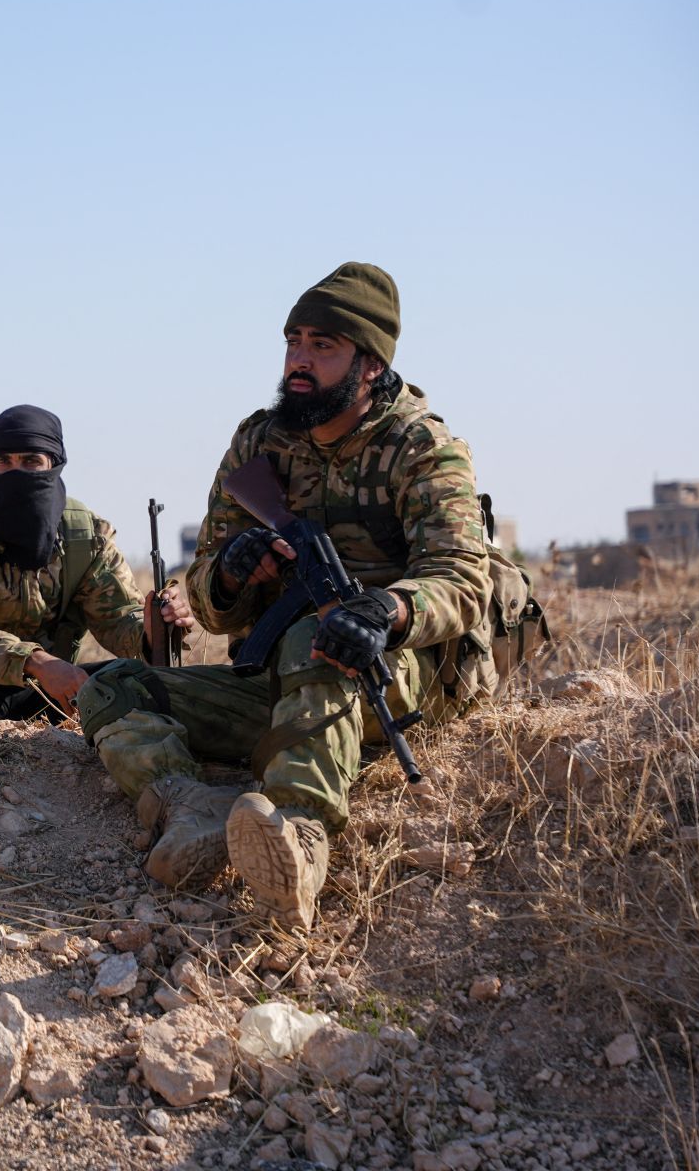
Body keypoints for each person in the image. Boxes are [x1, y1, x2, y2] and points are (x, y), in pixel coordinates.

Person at [77, 263, 492, 927]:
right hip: (278, 680)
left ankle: (299, 839)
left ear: (370, 361)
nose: (299, 361)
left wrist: (387, 610)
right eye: (293, 341)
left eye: (322, 346)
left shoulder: (423, 448)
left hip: (394, 675)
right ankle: (191, 810)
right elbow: (208, 607)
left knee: (316, 639)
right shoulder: (260, 442)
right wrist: (234, 575)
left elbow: (463, 582)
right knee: (114, 687)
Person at [0, 405, 194, 720]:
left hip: (48, 692)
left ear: (53, 466)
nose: (16, 472)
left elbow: (119, 621)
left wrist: (153, 632)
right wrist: (35, 662)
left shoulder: (87, 536)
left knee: (142, 682)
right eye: (3, 462)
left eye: (30, 461)